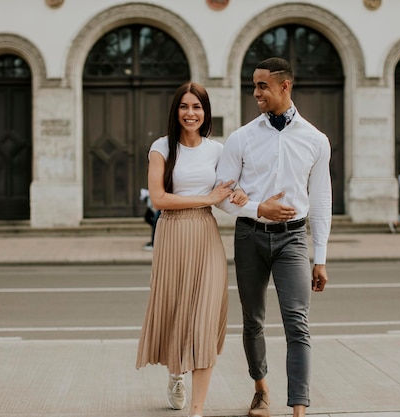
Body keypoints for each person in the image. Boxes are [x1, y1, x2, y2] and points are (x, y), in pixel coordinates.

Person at [215, 57, 332, 417]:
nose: (255, 93)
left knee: (297, 322)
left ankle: (299, 407)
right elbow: (220, 195)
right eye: (254, 85)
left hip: (293, 240)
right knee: (253, 320)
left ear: (285, 86)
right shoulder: (242, 138)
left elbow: (321, 199)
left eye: (262, 85)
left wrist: (321, 257)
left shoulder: (315, 140)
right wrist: (255, 209)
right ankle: (261, 390)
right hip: (250, 237)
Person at [136, 81, 247, 417]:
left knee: (204, 318)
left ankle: (197, 411)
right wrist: (208, 198)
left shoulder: (217, 149)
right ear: (176, 111)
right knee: (176, 311)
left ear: (205, 112)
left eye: (197, 107)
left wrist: (239, 196)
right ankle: (175, 374)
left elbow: (229, 192)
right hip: (171, 232)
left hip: (205, 234)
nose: (190, 113)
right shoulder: (162, 148)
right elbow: (158, 199)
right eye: (185, 106)